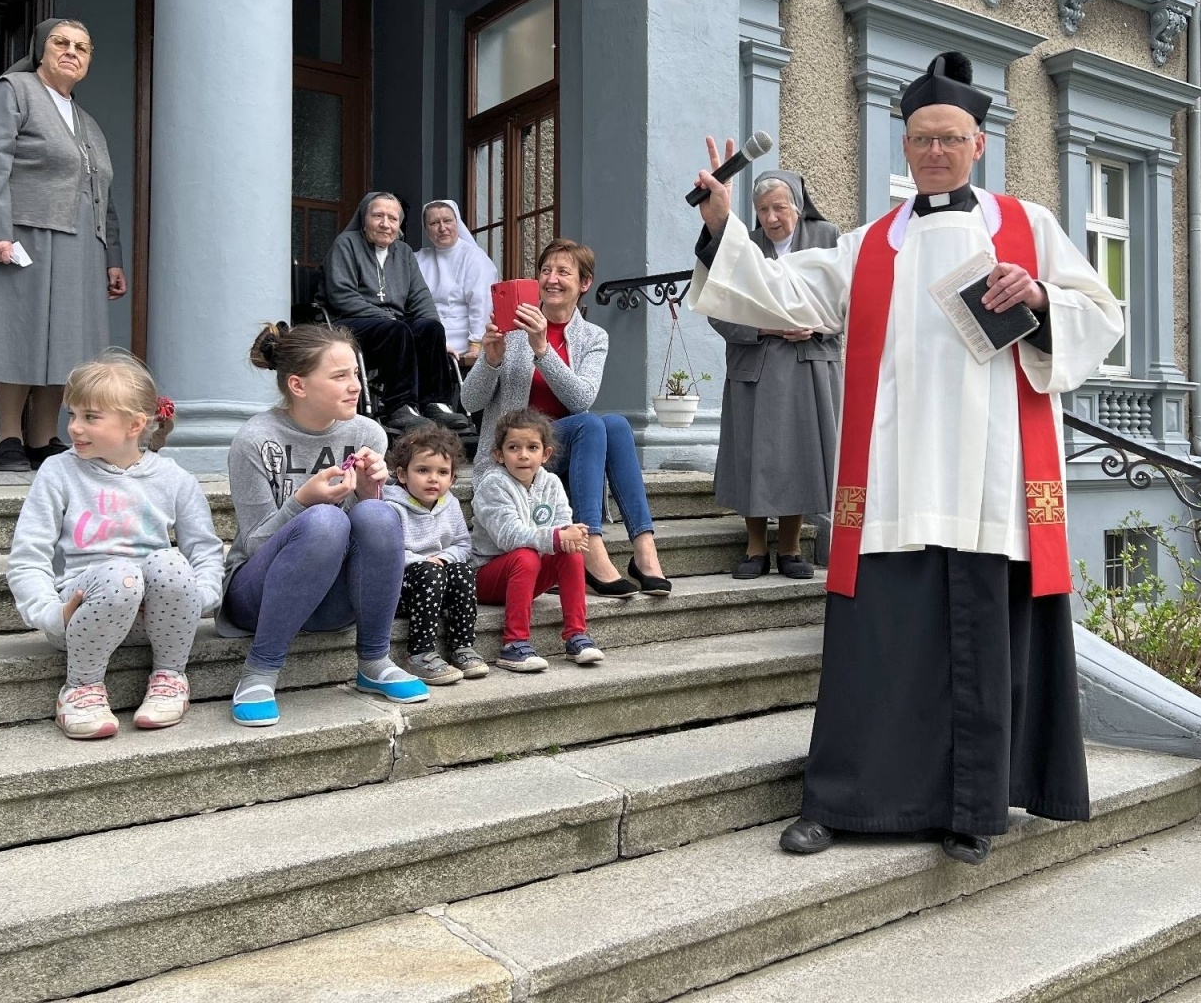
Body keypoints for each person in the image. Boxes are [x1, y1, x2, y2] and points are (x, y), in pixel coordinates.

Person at [688, 52, 1124, 867]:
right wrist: (722, 225)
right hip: (892, 481)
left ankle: (972, 811)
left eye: (950, 138)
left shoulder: (1029, 226)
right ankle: (843, 802)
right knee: (874, 656)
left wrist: (1039, 298)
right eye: (921, 138)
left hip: (992, 478)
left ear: (979, 145)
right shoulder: (866, 244)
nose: (934, 152)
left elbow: (1102, 313)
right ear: (904, 144)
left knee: (983, 649)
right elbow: (782, 294)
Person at [0, 18, 126, 471]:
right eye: (61, 43)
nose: (72, 52)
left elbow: (104, 194)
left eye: (83, 46)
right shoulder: (13, 90)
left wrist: (112, 257)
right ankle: (8, 437)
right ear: (41, 49)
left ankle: (44, 438)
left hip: (81, 244)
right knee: (16, 335)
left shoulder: (88, 123)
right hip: (23, 233)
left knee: (65, 344)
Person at [220, 322, 429, 727]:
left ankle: (374, 661)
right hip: (257, 597)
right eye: (339, 377)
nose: (355, 386)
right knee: (324, 521)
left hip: (333, 601)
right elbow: (256, 543)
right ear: (298, 385)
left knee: (379, 513)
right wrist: (303, 501)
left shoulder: (367, 433)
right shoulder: (255, 440)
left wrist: (370, 492)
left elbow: (366, 538)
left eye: (355, 373)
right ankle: (259, 672)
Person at [5, 351, 222, 739]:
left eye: (90, 417)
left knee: (169, 563)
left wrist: (199, 598)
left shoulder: (174, 479)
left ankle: (170, 677)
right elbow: (28, 556)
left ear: (135, 424)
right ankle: (81, 688)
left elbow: (204, 551)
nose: (74, 427)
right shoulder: (59, 471)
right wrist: (51, 613)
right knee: (121, 574)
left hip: (154, 623)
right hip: (77, 617)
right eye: (72, 414)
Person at [462, 239, 671, 599]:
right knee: (592, 423)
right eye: (545, 270)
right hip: (515, 457)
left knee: (616, 425)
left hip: (562, 460)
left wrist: (542, 350)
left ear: (584, 283)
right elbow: (469, 401)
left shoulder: (593, 337)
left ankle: (644, 547)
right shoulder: (512, 328)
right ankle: (589, 542)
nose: (552, 279)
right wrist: (491, 359)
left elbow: (580, 398)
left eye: (563, 271)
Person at [708, 170, 841, 581]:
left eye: (779, 208)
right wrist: (766, 328)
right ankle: (754, 549)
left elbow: (849, 296)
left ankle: (790, 547)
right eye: (762, 210)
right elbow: (718, 307)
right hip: (757, 362)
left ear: (797, 208)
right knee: (752, 454)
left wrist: (816, 324)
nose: (770, 217)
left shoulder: (827, 237)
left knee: (798, 452)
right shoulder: (743, 244)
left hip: (808, 363)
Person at [318, 191, 469, 434]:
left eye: (392, 218)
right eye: (378, 216)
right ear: (364, 218)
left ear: (399, 224)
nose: (385, 224)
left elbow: (421, 297)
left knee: (430, 328)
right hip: (350, 325)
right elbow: (341, 296)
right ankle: (400, 407)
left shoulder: (404, 252)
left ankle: (435, 404)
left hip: (393, 327)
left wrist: (441, 340)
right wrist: (388, 319)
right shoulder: (346, 244)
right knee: (397, 328)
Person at [471, 409, 602, 672]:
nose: (523, 455)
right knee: (526, 554)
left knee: (571, 552)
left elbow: (562, 521)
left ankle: (576, 635)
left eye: (532, 447)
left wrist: (572, 534)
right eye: (513, 447)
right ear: (499, 454)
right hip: (487, 577)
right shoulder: (493, 485)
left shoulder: (551, 482)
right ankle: (514, 644)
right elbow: (509, 536)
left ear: (545, 454)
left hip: (529, 574)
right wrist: (556, 536)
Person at [384, 424, 486, 685]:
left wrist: (442, 559)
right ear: (402, 475)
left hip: (436, 584)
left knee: (462, 570)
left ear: (452, 479)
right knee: (430, 571)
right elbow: (388, 552)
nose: (433, 479)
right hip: (400, 590)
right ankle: (420, 653)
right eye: (422, 470)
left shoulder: (449, 503)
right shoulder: (391, 506)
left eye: (442, 472)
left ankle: (462, 647)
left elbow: (463, 545)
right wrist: (425, 563)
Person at [415, 199, 498, 369]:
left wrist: (475, 345)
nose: (442, 228)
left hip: (461, 339)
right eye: (434, 223)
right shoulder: (418, 259)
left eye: (447, 221)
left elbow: (481, 304)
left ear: (457, 222)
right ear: (426, 229)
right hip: (424, 335)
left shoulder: (475, 258)